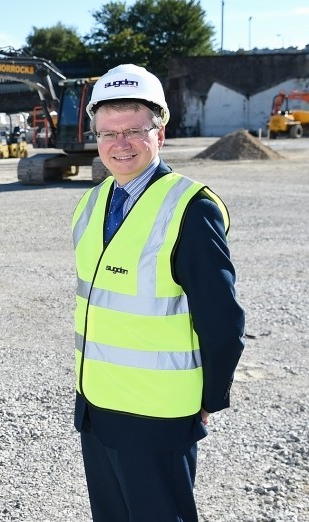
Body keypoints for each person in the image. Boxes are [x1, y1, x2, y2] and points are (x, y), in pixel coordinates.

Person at [71, 64, 246, 521]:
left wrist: (209, 398)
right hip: (98, 408)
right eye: (108, 133)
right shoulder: (91, 203)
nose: (120, 144)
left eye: (134, 130)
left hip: (157, 418)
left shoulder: (190, 208)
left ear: (160, 133)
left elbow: (222, 320)